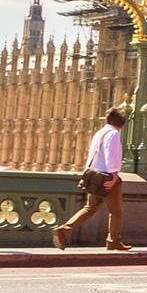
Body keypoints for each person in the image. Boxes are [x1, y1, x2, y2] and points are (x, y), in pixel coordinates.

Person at [53, 107, 130, 250]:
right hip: (106, 178)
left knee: (90, 208)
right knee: (116, 211)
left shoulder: (100, 132)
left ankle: (64, 230)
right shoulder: (113, 134)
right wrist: (114, 176)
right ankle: (113, 241)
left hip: (95, 176)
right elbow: (110, 155)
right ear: (122, 123)